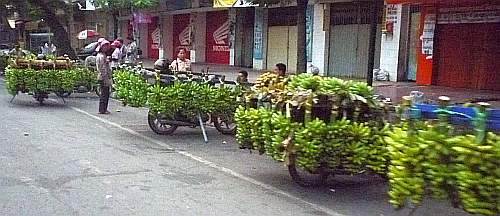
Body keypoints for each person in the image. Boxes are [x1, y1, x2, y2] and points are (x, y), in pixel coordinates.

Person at [96, 39, 112, 114]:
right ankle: (103, 109)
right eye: (105, 46)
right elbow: (102, 69)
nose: (106, 48)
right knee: (104, 94)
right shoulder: (101, 56)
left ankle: (103, 109)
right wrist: (106, 79)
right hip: (103, 77)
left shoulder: (102, 55)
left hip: (103, 76)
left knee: (105, 93)